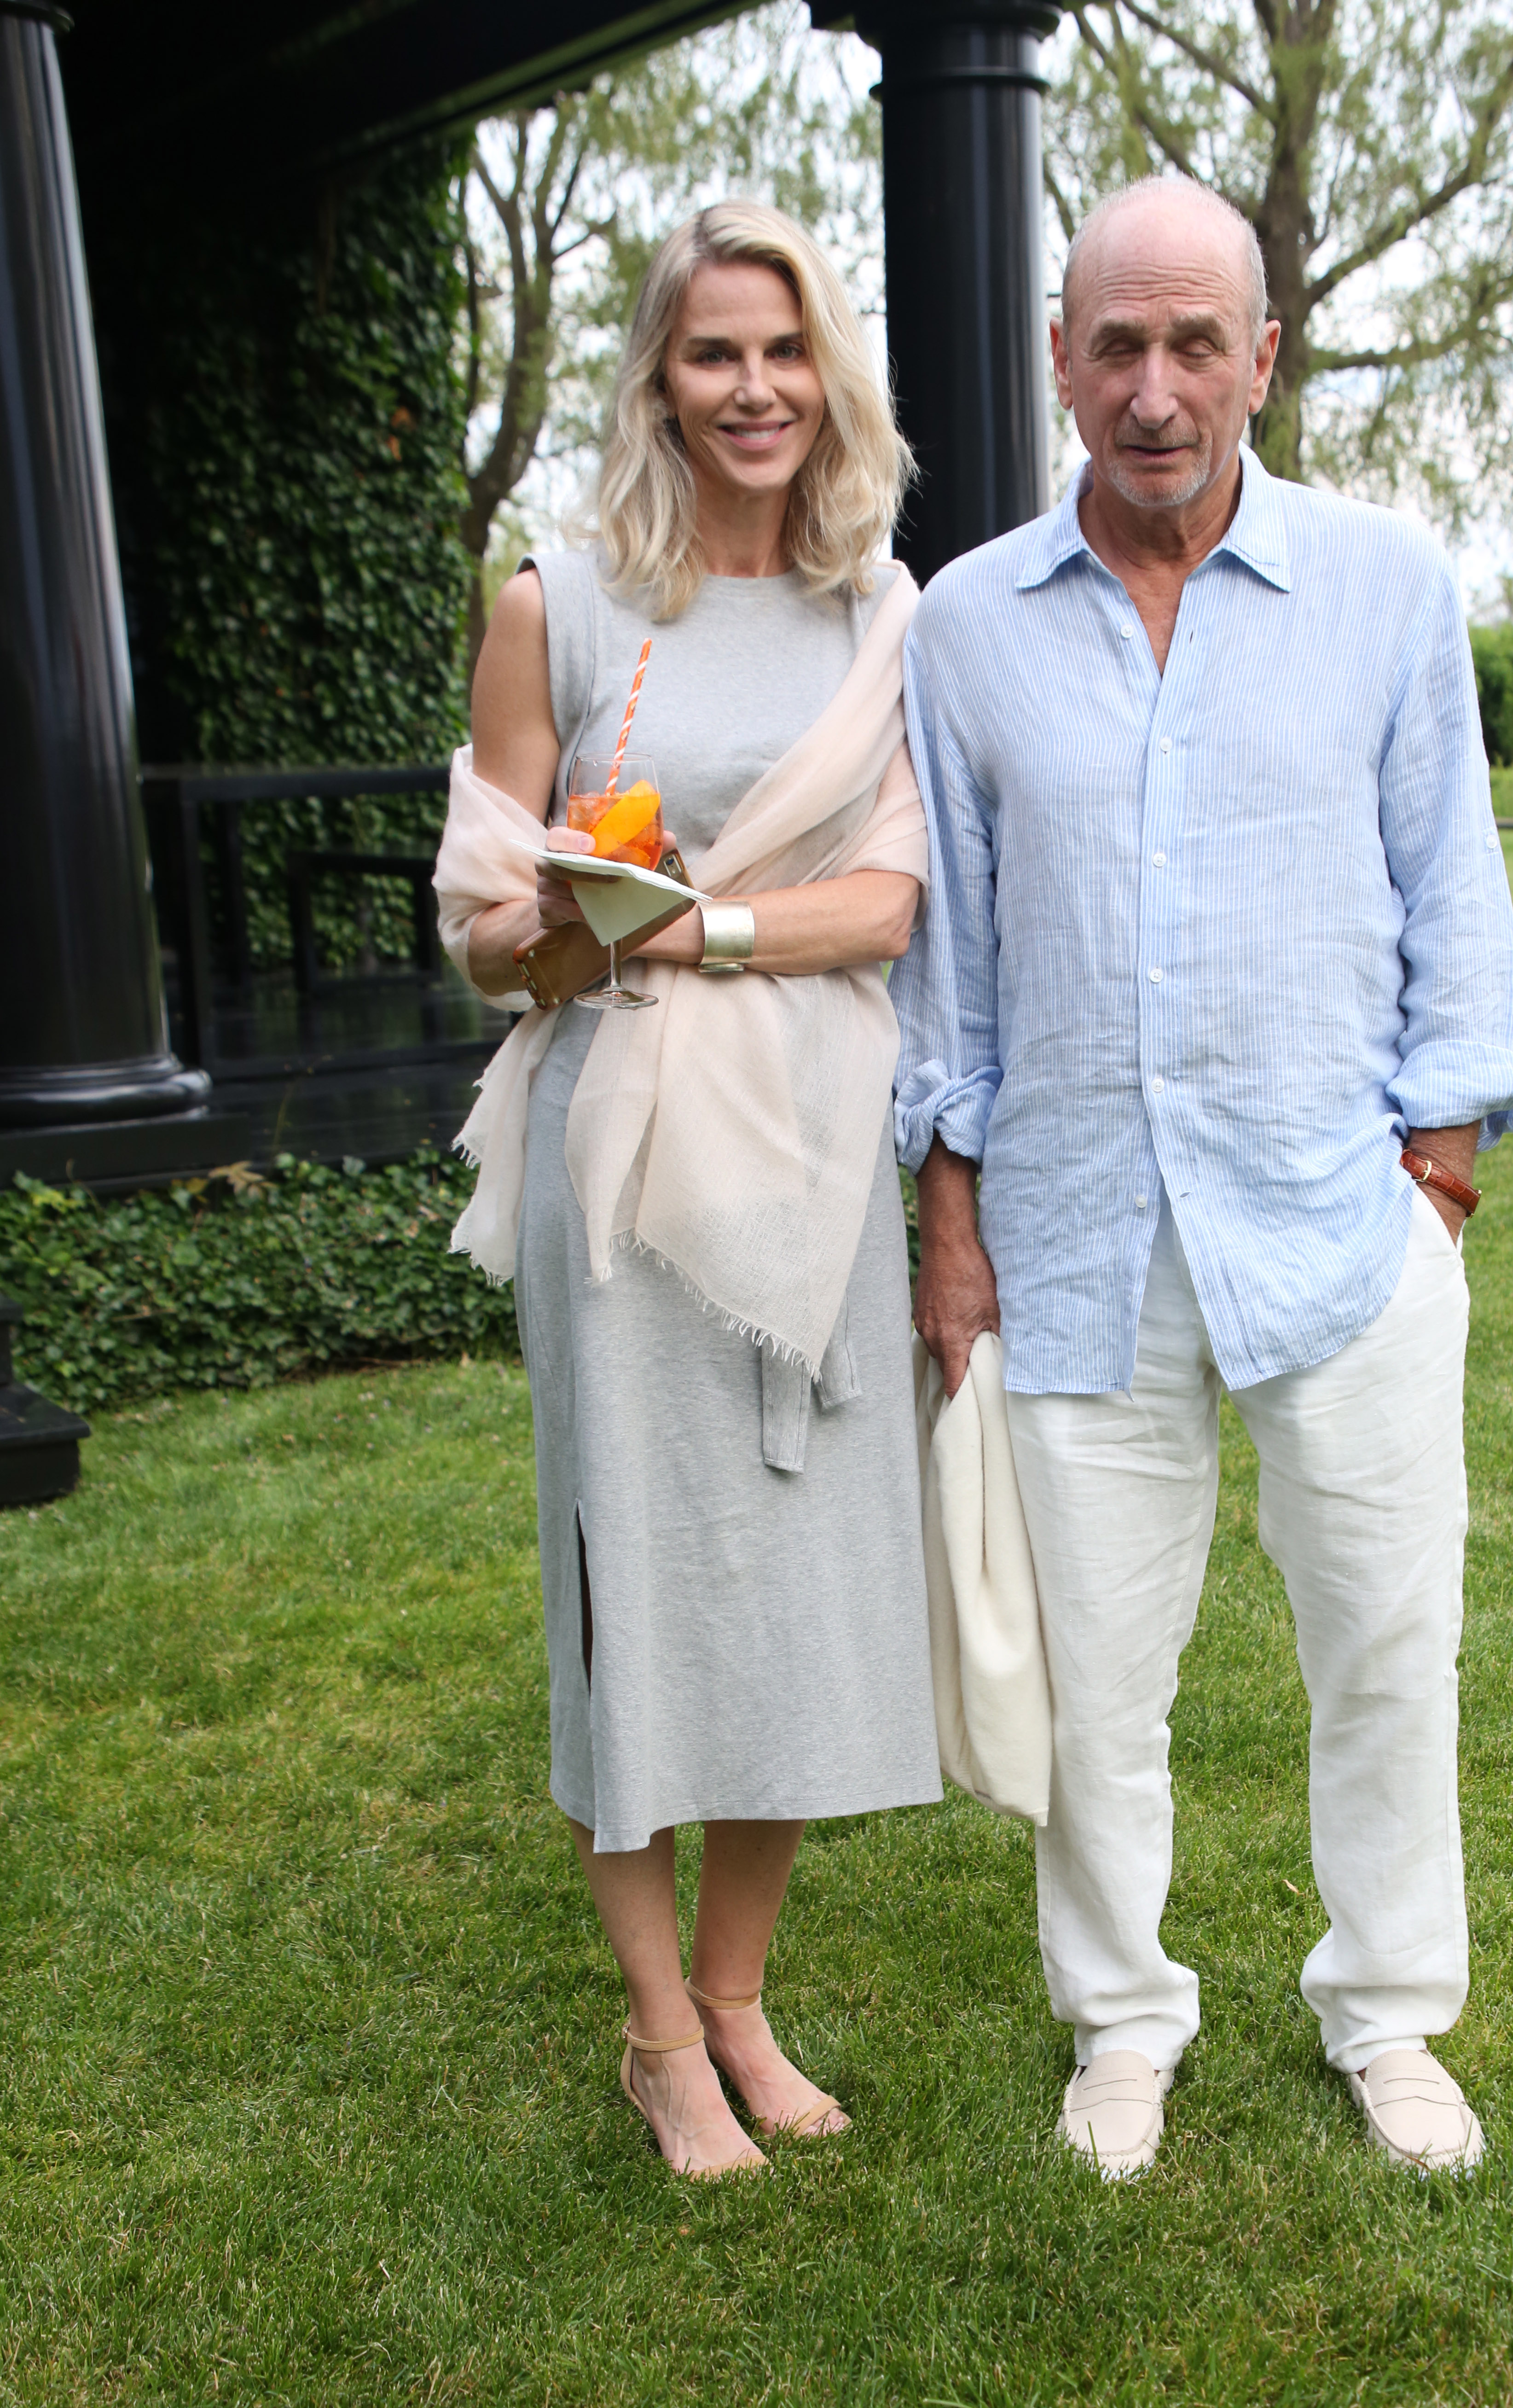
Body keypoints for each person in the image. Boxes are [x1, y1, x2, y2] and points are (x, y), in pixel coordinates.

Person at [892, 174, 1513, 2182]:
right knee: (1101, 1676)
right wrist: (952, 1226)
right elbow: (955, 964)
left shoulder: (1383, 588)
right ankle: (1123, 2021)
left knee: (1383, 1640)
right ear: (1062, 361)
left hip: (1340, 1229)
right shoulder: (968, 628)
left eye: (1198, 343)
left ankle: (1388, 2013)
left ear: (1262, 356)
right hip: (1074, 1237)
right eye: (1119, 344)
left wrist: (1434, 1176)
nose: (1157, 388)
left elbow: (1455, 884)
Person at [435, 203, 941, 2181]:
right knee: (633, 1573)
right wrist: (566, 921)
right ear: (658, 376)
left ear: (834, 378)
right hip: (617, 1145)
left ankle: (740, 1995)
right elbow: (483, 932)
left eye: (788, 352)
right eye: (716, 354)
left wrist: (700, 925)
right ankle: (660, 2037)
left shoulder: (878, 609)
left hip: (818, 1139)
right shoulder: (557, 601)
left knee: (803, 1573)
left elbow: (888, 905)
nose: (755, 390)